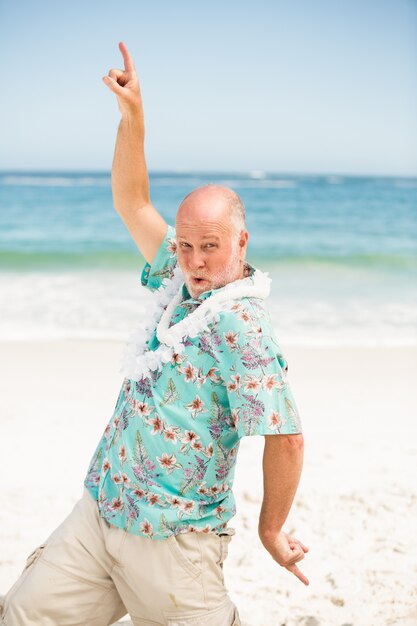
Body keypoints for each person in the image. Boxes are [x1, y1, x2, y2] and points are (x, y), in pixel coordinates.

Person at [0, 42, 309, 626]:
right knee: (22, 613)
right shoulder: (175, 280)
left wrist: (271, 529)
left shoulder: (243, 327)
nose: (193, 259)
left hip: (172, 542)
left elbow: (285, 435)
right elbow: (131, 199)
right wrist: (132, 117)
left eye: (210, 247)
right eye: (186, 245)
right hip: (102, 510)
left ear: (242, 244)